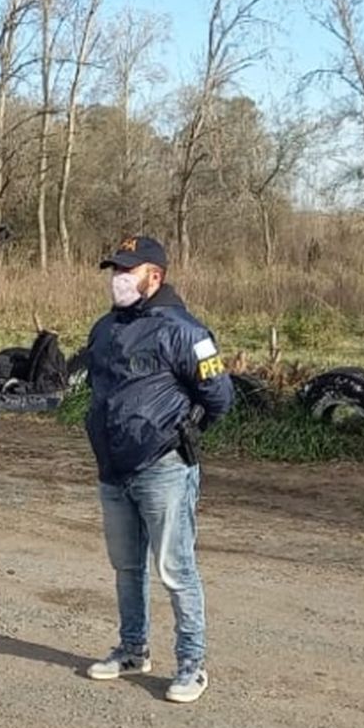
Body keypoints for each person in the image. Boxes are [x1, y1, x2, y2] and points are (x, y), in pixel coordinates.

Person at [83, 236, 234, 703]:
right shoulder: (105, 328)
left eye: (129, 270)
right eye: (114, 270)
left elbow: (220, 397)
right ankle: (132, 649)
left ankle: (192, 665)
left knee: (175, 569)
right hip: (113, 468)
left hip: (163, 467)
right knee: (127, 567)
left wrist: (178, 429)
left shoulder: (185, 331)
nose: (118, 279)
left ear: (156, 276)